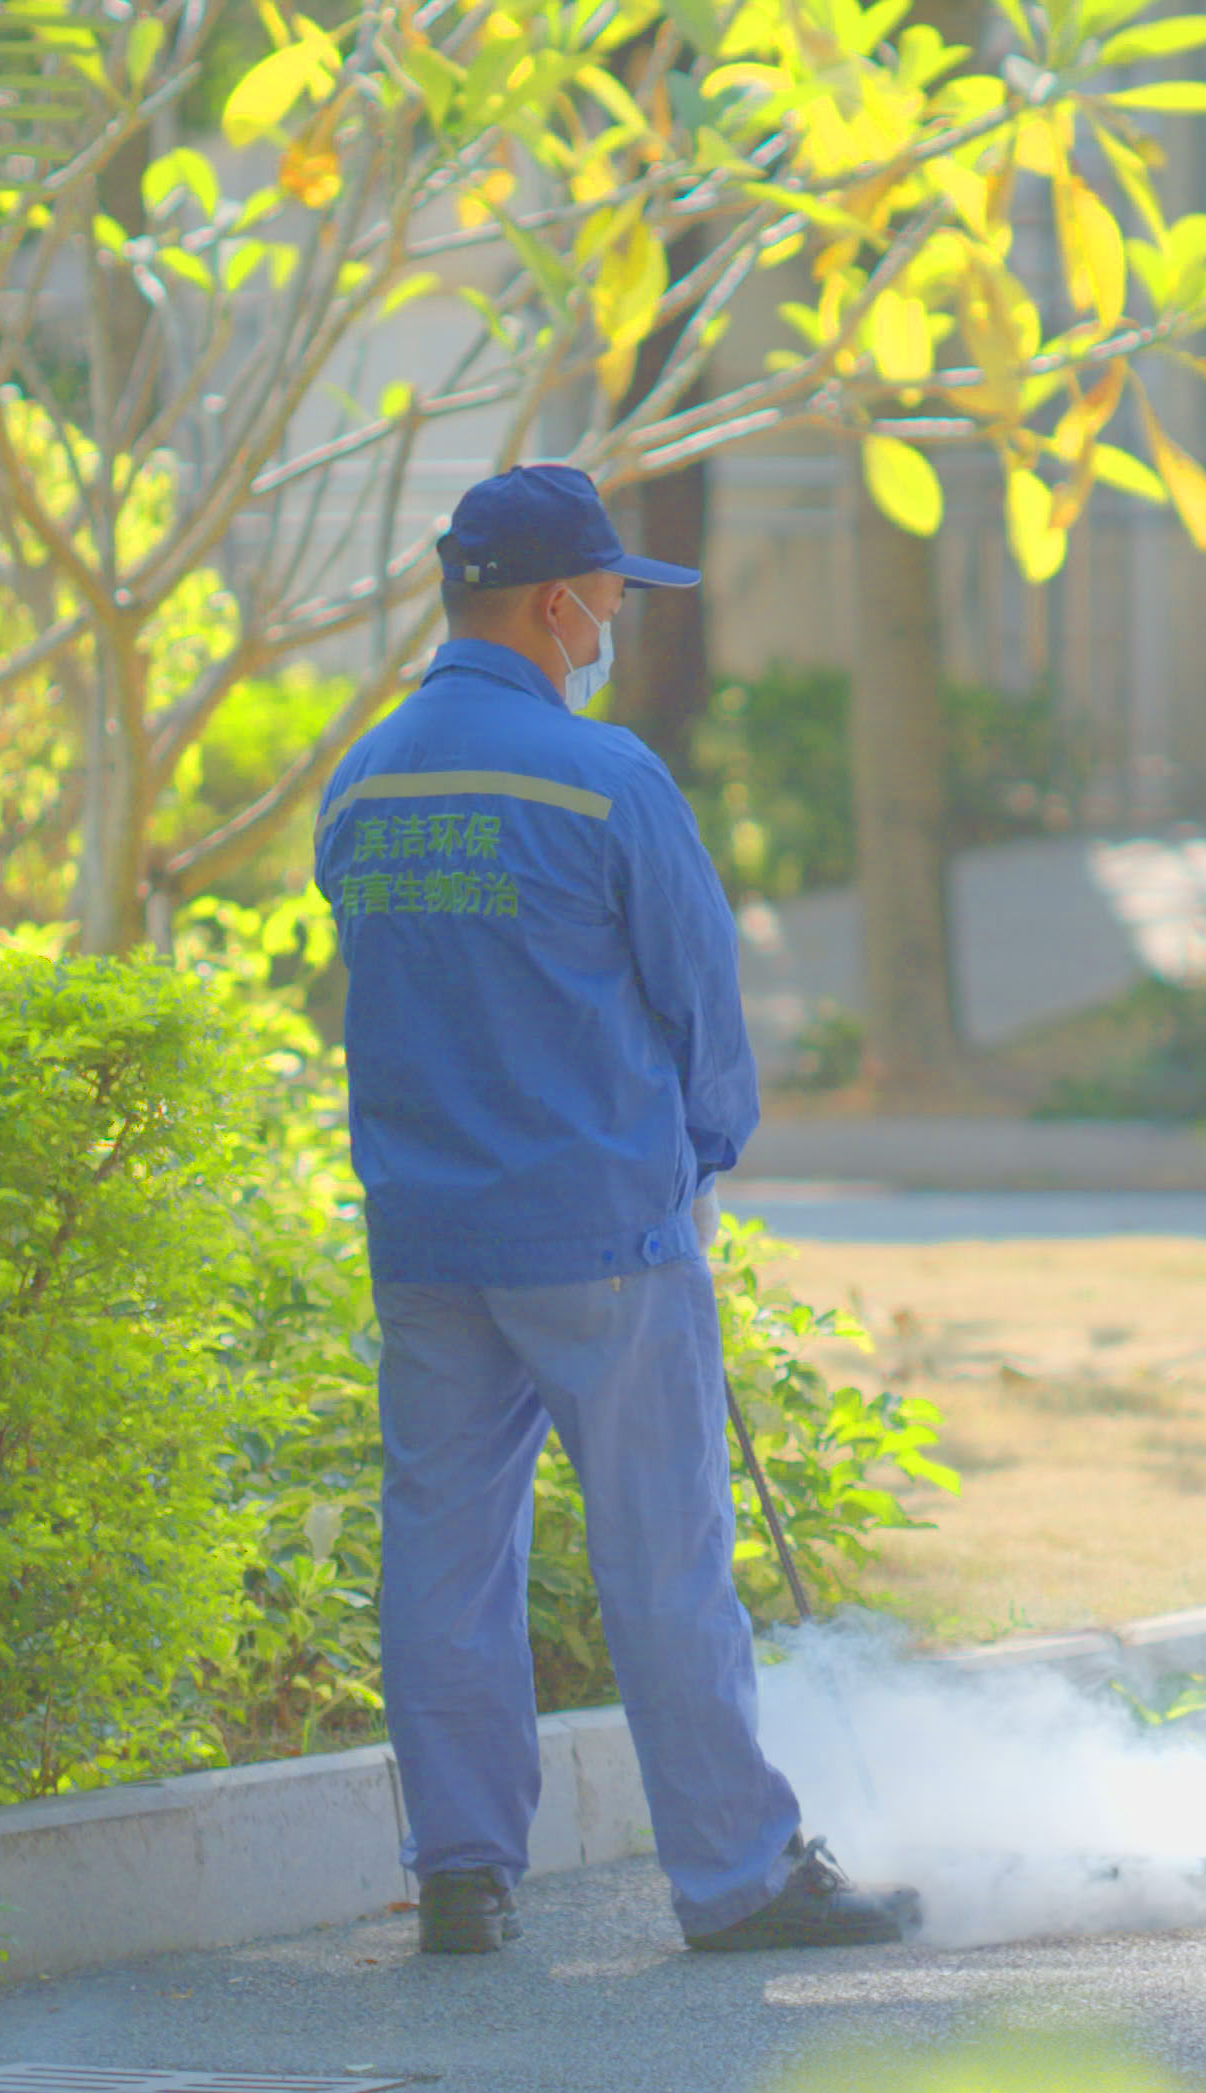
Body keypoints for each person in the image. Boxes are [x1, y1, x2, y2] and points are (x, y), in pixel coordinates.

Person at [313, 464, 918, 1954]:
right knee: (662, 1558)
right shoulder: (607, 780)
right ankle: (737, 1876)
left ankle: (460, 1872)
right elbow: (702, 1004)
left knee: (445, 1564)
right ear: (553, 601)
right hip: (600, 1235)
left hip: (427, 1242)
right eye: (603, 599)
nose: (609, 628)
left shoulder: (366, 779)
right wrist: (707, 1151)